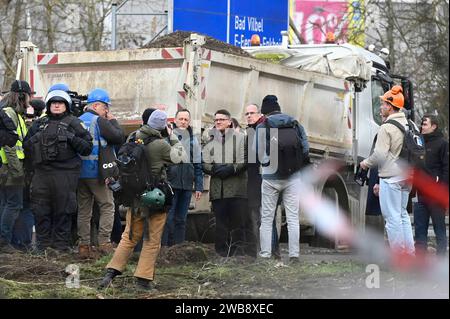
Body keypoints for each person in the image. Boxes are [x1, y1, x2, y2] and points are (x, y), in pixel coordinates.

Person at [99, 109, 186, 290]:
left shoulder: (132, 137)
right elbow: (180, 158)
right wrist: (173, 136)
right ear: (162, 126)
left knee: (129, 236)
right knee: (152, 239)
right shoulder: (161, 144)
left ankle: (111, 273)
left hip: (134, 197)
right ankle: (143, 280)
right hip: (155, 198)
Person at [23, 90, 93, 252]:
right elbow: (26, 147)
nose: (56, 105)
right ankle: (42, 247)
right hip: (41, 174)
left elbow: (87, 148)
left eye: (60, 102)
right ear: (48, 105)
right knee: (40, 210)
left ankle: (61, 247)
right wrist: (37, 138)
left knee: (64, 210)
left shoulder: (74, 123)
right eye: (53, 102)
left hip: (65, 174)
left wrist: (71, 137)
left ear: (66, 105)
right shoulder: (39, 124)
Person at [360, 85, 415, 255]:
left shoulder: (386, 127)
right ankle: (410, 253)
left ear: (390, 107)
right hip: (407, 176)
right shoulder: (409, 124)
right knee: (403, 215)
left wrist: (365, 163)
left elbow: (380, 154)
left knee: (392, 219)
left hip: (391, 177)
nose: (381, 107)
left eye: (383, 104)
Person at [255, 95, 310, 263]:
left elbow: (258, 152)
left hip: (271, 178)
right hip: (293, 177)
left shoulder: (263, 125)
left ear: (264, 110)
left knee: (267, 217)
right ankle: (294, 255)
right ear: (279, 107)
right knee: (293, 217)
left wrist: (267, 166)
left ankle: (265, 254)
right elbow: (305, 148)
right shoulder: (295, 123)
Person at [78, 88, 124, 258]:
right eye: (106, 108)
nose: (107, 112)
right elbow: (119, 137)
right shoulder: (100, 121)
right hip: (97, 172)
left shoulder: (77, 120)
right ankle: (104, 243)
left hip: (80, 174)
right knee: (107, 206)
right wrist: (114, 121)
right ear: (96, 105)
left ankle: (84, 246)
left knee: (84, 210)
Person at [203, 109, 247, 257]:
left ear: (229, 121)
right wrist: (214, 169)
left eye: (221, 119)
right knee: (220, 224)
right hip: (217, 190)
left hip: (236, 189)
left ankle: (238, 253)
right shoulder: (210, 141)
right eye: (216, 120)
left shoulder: (241, 138)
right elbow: (204, 163)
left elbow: (244, 160)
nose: (218, 122)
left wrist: (231, 169)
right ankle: (221, 252)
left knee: (237, 223)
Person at [162, 108, 203, 246]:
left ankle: (179, 249)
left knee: (181, 219)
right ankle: (165, 249)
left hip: (186, 185)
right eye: (181, 119)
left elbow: (198, 165)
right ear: (174, 120)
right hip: (170, 185)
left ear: (189, 121)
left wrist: (198, 186)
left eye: (186, 119)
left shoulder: (194, 141)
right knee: (168, 219)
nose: (183, 122)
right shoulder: (166, 138)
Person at [0, 80, 32, 252]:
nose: (30, 98)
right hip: (10, 168)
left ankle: (7, 240)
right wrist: (17, 171)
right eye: (28, 95)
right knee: (13, 204)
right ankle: (4, 242)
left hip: (8, 167)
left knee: (6, 203)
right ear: (21, 95)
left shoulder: (13, 113)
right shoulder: (9, 114)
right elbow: (9, 144)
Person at [414, 114, 448, 256]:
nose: (422, 126)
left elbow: (447, 168)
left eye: (425, 124)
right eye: (421, 124)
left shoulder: (443, 144)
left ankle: (441, 259)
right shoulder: (418, 143)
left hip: (436, 194)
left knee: (439, 228)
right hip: (421, 195)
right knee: (419, 229)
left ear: (434, 126)